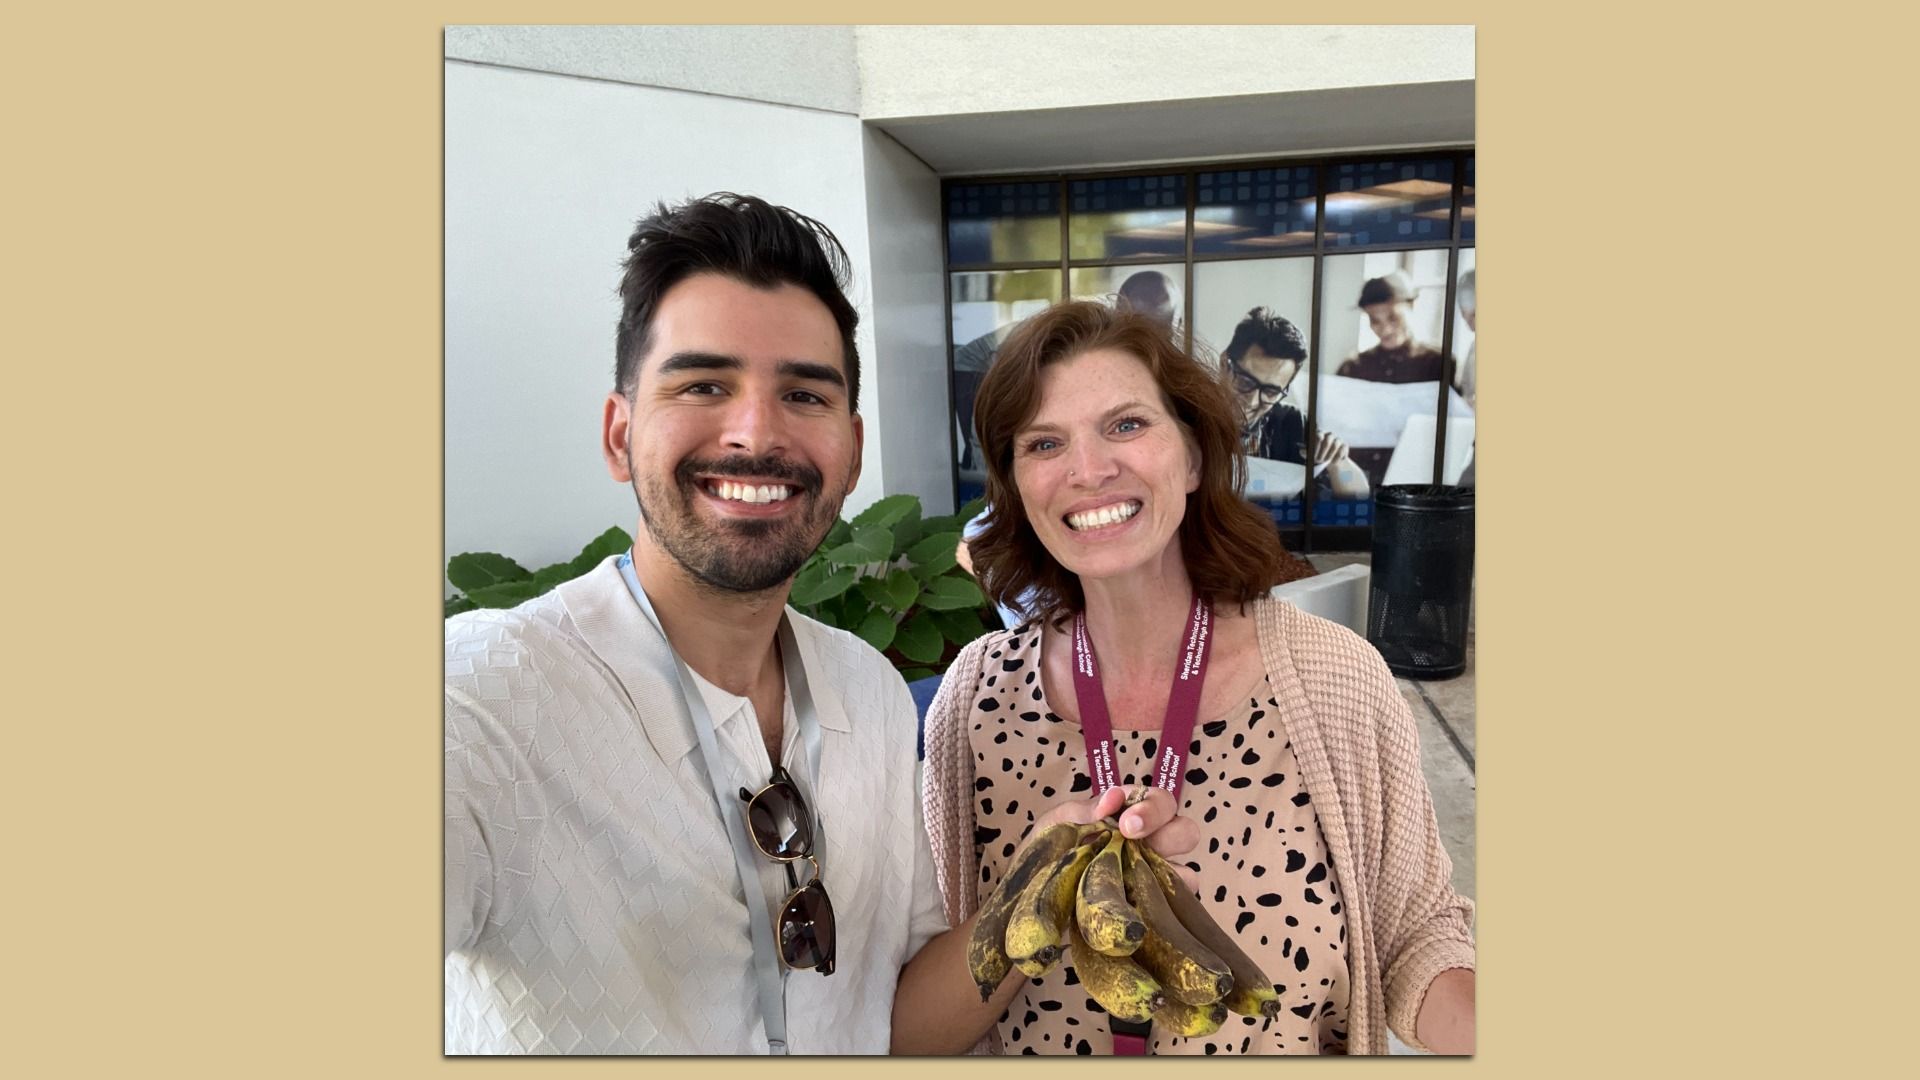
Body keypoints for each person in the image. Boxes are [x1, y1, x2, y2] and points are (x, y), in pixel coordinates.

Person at [444, 192, 1188, 1055]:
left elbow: (902, 1025)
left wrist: (1039, 883)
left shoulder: (867, 692)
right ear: (620, 436)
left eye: (804, 393)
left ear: (853, 447)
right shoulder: (482, 703)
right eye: (703, 384)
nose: (756, 432)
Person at [921, 300, 1476, 1055]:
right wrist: (1030, 896)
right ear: (1016, 485)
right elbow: (924, 1018)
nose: (1089, 470)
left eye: (1125, 425)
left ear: (1191, 456)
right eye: (1044, 442)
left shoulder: (1335, 679)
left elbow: (1417, 934)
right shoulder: (975, 702)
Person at [952, 270, 1180, 471]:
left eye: (1161, 332)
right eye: (1144, 329)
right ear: (1121, 310)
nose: (1152, 341)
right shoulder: (1076, 332)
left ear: (1175, 324)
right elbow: (1000, 390)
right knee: (982, 440)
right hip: (969, 366)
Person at [1220, 307, 1370, 501]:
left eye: (1270, 391)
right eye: (1245, 382)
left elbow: (1359, 499)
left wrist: (1337, 461)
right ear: (1224, 364)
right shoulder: (1186, 414)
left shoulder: (1291, 423)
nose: (1252, 401)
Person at [1335, 270, 1451, 384]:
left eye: (1393, 318)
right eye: (1375, 320)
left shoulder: (1439, 364)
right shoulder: (1352, 368)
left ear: (1411, 306)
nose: (1386, 329)